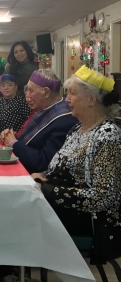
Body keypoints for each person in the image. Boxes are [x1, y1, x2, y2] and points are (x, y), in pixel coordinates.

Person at [33, 65, 121, 264]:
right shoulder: (78, 128)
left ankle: (5, 272)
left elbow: (102, 198)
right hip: (67, 208)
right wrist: (41, 175)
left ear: (91, 100)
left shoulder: (106, 136)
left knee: (20, 214)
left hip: (91, 220)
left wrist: (48, 190)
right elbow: (59, 165)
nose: (66, 100)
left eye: (72, 94)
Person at [0, 69, 78, 174]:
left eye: (31, 90)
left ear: (46, 92)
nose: (27, 96)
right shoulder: (46, 106)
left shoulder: (64, 120)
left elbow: (44, 163)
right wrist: (14, 137)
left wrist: (14, 143)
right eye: (26, 89)